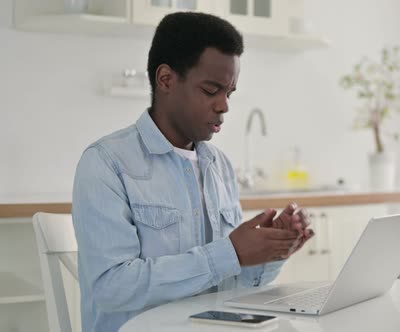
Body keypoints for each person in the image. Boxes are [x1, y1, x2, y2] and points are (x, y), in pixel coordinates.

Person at [72, 12, 313, 332]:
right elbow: (111, 287)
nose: (224, 105)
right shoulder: (106, 163)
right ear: (166, 80)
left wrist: (272, 252)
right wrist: (230, 252)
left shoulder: (220, 167)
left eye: (230, 92)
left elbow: (231, 286)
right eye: (211, 90)